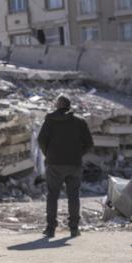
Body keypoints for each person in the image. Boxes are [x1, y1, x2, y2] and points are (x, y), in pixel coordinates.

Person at [38, 95, 93, 238]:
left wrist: (48, 154)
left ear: (57, 106)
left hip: (54, 164)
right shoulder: (80, 122)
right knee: (74, 196)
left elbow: (41, 140)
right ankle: (74, 228)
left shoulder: (50, 120)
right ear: (69, 106)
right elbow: (89, 143)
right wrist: (78, 154)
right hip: (74, 164)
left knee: (52, 196)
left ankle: (50, 229)